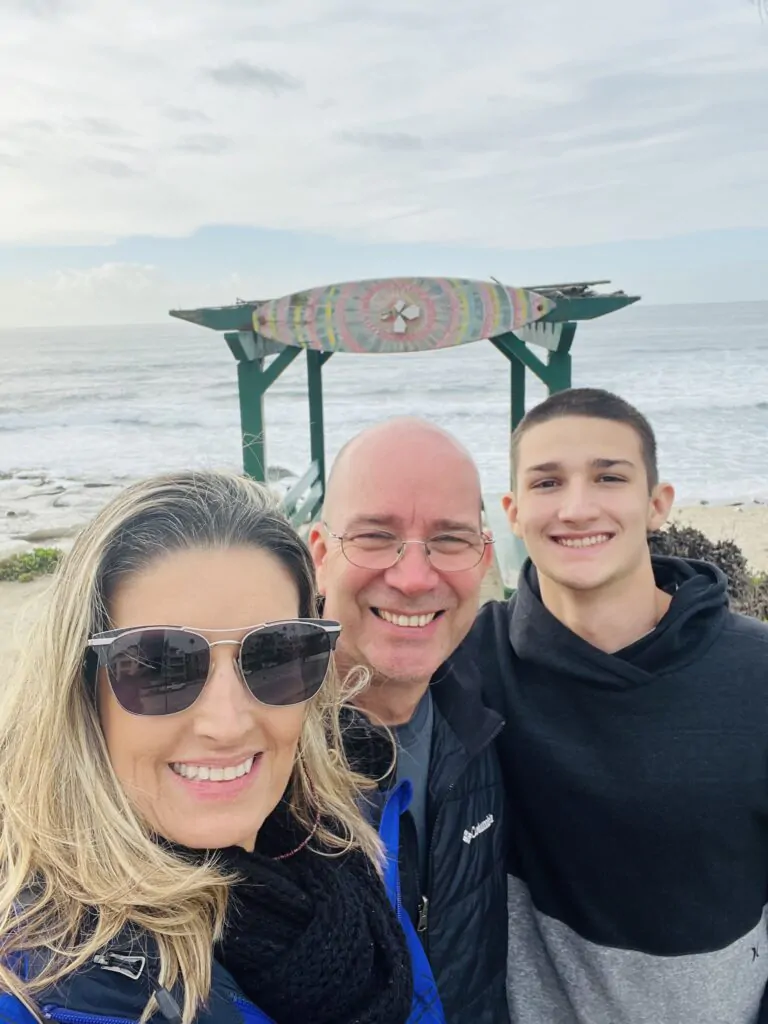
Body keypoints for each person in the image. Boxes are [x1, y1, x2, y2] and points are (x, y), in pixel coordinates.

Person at [0, 470, 433, 1024]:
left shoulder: (350, 849)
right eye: (161, 666)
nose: (226, 723)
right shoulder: (31, 987)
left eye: (274, 655)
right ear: (83, 687)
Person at [451, 387, 768, 1024]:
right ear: (513, 512)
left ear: (657, 504)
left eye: (609, 477)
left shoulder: (756, 672)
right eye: (547, 482)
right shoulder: (467, 664)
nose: (576, 508)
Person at [309, 418, 510, 1024]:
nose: (415, 577)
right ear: (319, 555)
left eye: (450, 540)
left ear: (484, 558)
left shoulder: (490, 711)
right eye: (375, 536)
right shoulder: (253, 758)